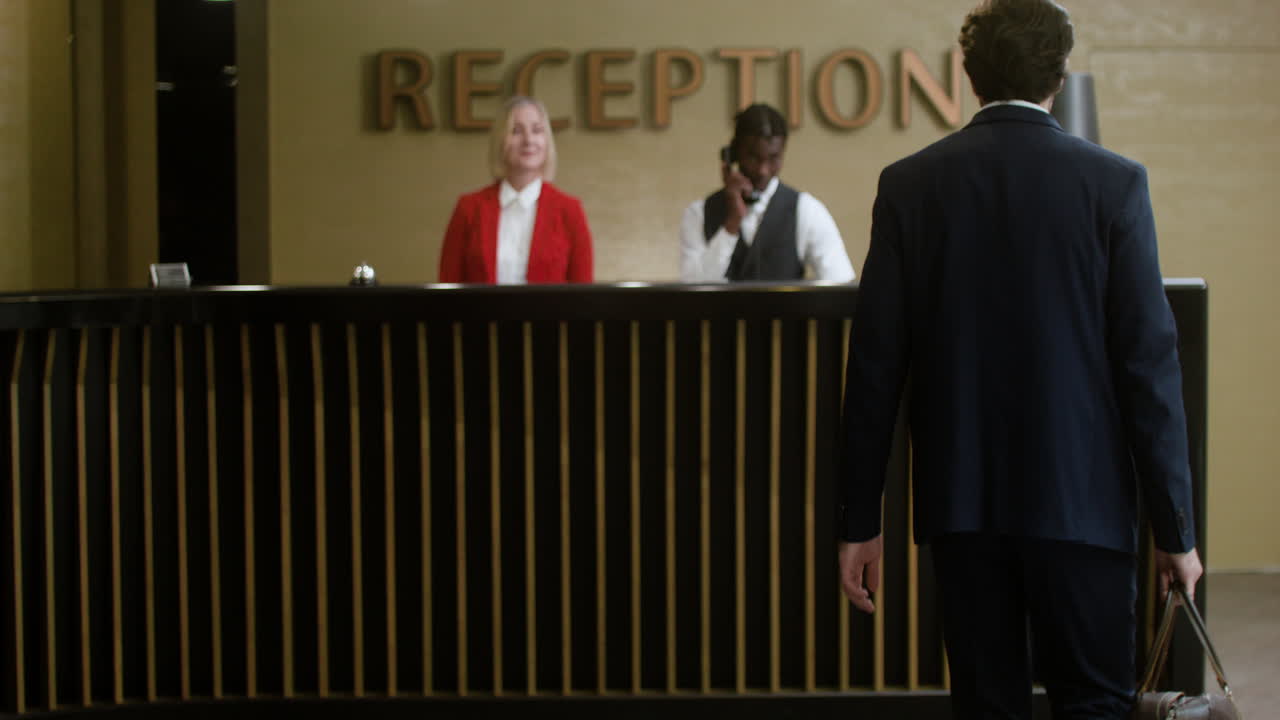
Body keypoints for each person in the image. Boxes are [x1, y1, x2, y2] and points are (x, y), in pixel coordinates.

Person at [836, 1, 1203, 718]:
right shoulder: (1114, 185)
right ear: (1058, 76)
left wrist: (859, 520)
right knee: (1095, 703)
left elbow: (875, 370)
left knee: (986, 704)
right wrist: (1175, 530)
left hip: (963, 507)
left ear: (969, 76)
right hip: (1086, 509)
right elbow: (1148, 371)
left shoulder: (911, 185)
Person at [679, 103, 854, 282]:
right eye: (754, 157)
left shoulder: (807, 210)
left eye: (773, 158)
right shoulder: (698, 213)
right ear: (734, 154)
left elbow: (840, 280)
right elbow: (692, 288)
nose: (763, 170)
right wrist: (732, 224)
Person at [438, 96, 593, 283]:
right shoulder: (469, 209)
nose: (528, 140)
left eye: (537, 130)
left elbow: (583, 295)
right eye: (516, 131)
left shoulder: (570, 210)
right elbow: (448, 290)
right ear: (500, 140)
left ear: (547, 141)